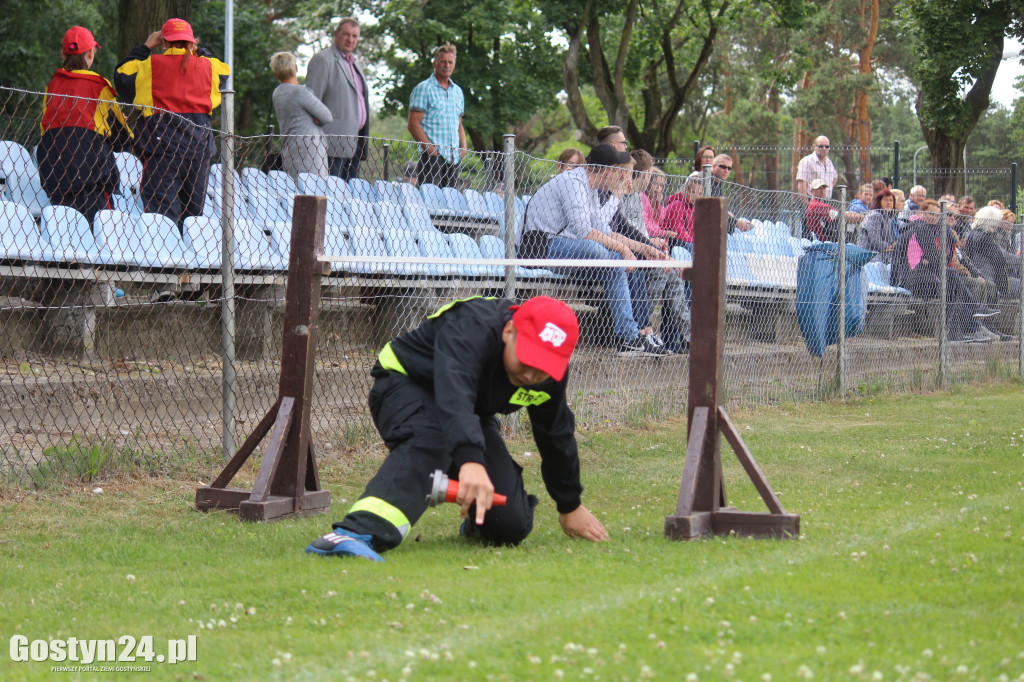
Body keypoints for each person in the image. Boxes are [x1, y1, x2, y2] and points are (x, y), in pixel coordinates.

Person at [305, 295, 610, 561]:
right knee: (430, 438)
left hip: (468, 411)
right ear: (508, 331)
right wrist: (470, 459)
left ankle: (471, 518)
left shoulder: (551, 372)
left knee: (511, 525)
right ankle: (354, 533)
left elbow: (555, 434)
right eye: (528, 359)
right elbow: (453, 391)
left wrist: (570, 505)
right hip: (406, 383)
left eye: (543, 368)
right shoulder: (472, 325)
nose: (532, 374)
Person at [515, 144, 668, 357]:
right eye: (619, 171)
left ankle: (629, 338)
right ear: (609, 170)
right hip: (538, 247)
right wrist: (623, 249)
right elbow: (584, 231)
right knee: (598, 249)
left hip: (564, 247)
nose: (622, 177)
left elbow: (604, 230)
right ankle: (631, 335)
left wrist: (645, 248)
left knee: (615, 267)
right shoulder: (574, 182)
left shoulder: (591, 189)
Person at [115, 18, 230, 230]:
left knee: (162, 220)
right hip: (198, 153)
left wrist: (146, 46)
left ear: (164, 43)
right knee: (192, 219)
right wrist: (199, 50)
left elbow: (122, 76)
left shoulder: (150, 66)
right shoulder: (210, 68)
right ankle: (189, 260)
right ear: (191, 43)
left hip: (163, 154)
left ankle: (166, 262)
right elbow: (224, 71)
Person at [38, 26, 131, 225]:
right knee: (99, 230)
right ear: (90, 53)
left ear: (63, 54)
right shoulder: (99, 85)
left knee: (64, 230)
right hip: (91, 172)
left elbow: (43, 128)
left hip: (56, 171)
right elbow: (122, 135)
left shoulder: (52, 86)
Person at [892, 200, 1000, 343]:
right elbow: (936, 259)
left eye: (937, 216)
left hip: (924, 275)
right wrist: (930, 260)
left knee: (952, 286)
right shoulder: (921, 228)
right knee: (952, 278)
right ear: (921, 213)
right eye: (930, 214)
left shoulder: (934, 230)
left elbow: (937, 259)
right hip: (910, 279)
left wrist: (930, 260)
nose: (933, 218)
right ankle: (973, 317)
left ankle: (958, 332)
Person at [305, 18, 370, 181]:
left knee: (349, 199)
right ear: (336, 35)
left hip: (355, 143)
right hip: (330, 147)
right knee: (330, 198)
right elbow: (311, 102)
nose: (350, 40)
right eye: (346, 34)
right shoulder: (323, 59)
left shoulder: (355, 63)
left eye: (355, 36)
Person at [407, 44, 466, 188]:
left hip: (453, 158)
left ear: (454, 65)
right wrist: (432, 151)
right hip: (432, 159)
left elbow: (459, 122)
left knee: (451, 206)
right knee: (431, 204)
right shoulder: (424, 88)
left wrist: (463, 147)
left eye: (450, 62)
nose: (447, 65)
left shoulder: (457, 91)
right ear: (435, 63)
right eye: (443, 62)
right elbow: (413, 124)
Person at [269, 52, 333, 181]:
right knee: (315, 193)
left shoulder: (277, 93)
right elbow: (327, 116)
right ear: (296, 68)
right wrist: (315, 119)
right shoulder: (300, 92)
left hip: (290, 150)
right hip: (310, 152)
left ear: (276, 74)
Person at [963, 205, 1021, 302]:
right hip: (990, 278)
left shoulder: (978, 234)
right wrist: (1021, 261)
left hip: (992, 276)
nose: (998, 224)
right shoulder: (983, 237)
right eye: (997, 221)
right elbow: (1002, 256)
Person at [708, 153, 751, 232]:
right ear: (713, 166)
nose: (726, 171)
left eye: (729, 168)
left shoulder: (718, 182)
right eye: (723, 167)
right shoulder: (707, 182)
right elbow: (713, 210)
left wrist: (734, 219)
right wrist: (736, 222)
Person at [857, 188, 900, 263]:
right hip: (870, 257)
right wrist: (890, 247)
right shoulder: (875, 215)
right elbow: (875, 241)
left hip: (880, 256)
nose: (889, 203)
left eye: (891, 200)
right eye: (885, 200)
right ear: (879, 202)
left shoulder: (887, 217)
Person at [661, 172, 702, 247]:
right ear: (685, 191)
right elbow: (679, 232)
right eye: (693, 192)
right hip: (672, 242)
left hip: (686, 242)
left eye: (700, 193)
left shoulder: (693, 207)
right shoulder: (677, 205)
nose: (696, 196)